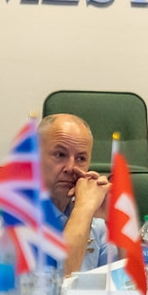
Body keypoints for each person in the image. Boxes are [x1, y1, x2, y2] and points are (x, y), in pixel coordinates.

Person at [40, 113, 109, 275]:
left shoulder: (95, 222)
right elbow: (56, 287)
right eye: (60, 155)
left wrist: (116, 219)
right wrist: (83, 210)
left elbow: (128, 286)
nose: (71, 168)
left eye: (81, 158)